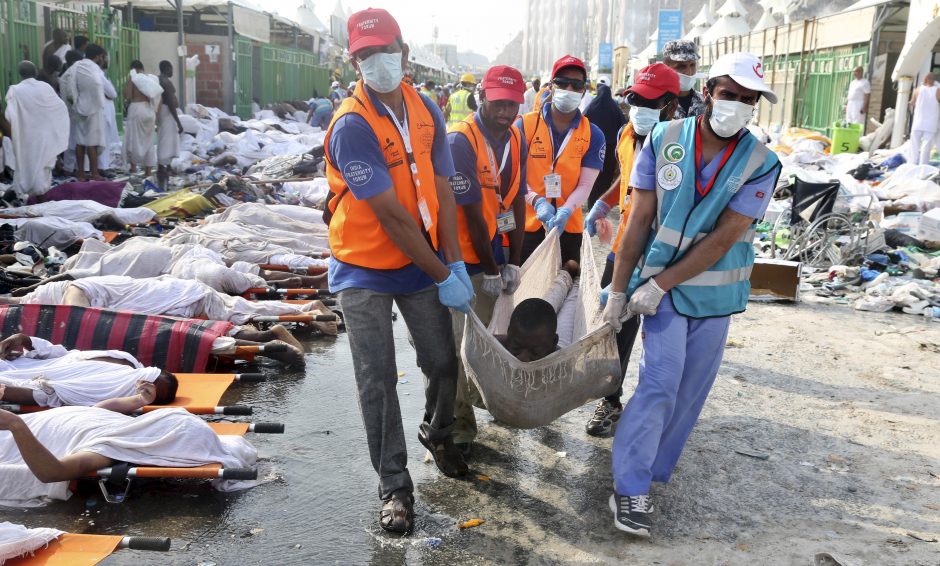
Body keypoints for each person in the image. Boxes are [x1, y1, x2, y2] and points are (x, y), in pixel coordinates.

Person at [601, 52, 781, 537]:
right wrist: (619, 291)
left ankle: (649, 471)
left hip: (712, 295)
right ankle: (630, 487)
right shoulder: (664, 139)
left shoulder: (763, 163)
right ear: (707, 93)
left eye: (747, 101)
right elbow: (638, 218)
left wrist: (660, 283)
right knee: (659, 381)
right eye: (729, 96)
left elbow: (726, 236)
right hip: (660, 295)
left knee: (687, 394)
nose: (736, 107)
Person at [323, 7, 473, 533]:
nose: (379, 62)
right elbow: (390, 217)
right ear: (354, 60)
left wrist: (453, 258)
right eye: (367, 55)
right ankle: (394, 486)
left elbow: (445, 192)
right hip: (364, 266)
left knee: (442, 362)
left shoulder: (426, 108)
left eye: (386, 51)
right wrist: (441, 273)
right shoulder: (351, 124)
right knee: (378, 379)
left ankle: (438, 431)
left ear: (404, 52)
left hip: (424, 260)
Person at [582, 63, 679, 437]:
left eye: (649, 103)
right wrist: (603, 203)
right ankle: (611, 401)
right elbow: (627, 175)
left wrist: (643, 272)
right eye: (634, 99)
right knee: (614, 322)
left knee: (661, 339)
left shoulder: (679, 146)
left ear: (670, 106)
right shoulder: (627, 133)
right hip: (624, 245)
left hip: (663, 253)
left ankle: (659, 415)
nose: (638, 108)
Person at [448, 65, 527, 455]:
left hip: (494, 253)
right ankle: (460, 426)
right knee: (458, 346)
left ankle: (481, 399)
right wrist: (492, 269)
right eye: (498, 102)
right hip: (461, 260)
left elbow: (512, 201)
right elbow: (471, 215)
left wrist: (514, 259)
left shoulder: (515, 138)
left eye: (513, 104)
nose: (505, 111)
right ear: (481, 96)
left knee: (485, 342)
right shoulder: (460, 141)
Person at [0, 405, 257, 506]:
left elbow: (50, 473)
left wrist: (15, 425)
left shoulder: (110, 447)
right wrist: (138, 398)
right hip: (41, 420)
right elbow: (98, 409)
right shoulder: (123, 425)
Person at [515, 54, 606, 265]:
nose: (570, 89)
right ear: (551, 86)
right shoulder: (525, 125)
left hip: (568, 226)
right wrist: (536, 201)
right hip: (528, 224)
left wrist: (567, 209)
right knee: (523, 292)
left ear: (584, 90)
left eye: (576, 85)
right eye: (563, 83)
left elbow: (585, 185)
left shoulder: (593, 134)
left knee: (564, 289)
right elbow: (515, 176)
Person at [0, 333, 178, 413]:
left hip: (13, 376)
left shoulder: (111, 392)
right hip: (19, 360)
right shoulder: (125, 360)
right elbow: (65, 355)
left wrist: (4, 390)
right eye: (151, 380)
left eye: (150, 391)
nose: (145, 385)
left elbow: (47, 394)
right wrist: (25, 340)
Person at [4, 62, 69, 199]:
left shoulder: (15, 90)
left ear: (20, 74)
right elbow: (60, 107)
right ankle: (40, 197)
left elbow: (9, 115)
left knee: (27, 162)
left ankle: (27, 194)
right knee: (42, 163)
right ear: (35, 72)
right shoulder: (45, 87)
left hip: (25, 134)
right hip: (43, 133)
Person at [68, 44, 108, 182]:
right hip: (94, 107)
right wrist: (99, 101)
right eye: (102, 57)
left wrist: (74, 102)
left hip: (79, 105)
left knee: (80, 142)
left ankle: (81, 174)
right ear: (97, 57)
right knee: (92, 142)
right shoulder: (94, 68)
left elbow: (67, 82)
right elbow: (98, 85)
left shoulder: (77, 66)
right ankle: (95, 173)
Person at [584, 80, 627, 206]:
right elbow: (623, 125)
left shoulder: (592, 106)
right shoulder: (614, 108)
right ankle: (600, 201)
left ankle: (591, 201)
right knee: (605, 177)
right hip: (610, 149)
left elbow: (582, 121)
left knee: (593, 175)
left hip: (593, 147)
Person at [123, 60, 161, 178]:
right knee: (149, 141)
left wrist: (130, 79)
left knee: (134, 139)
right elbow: (158, 97)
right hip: (149, 111)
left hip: (137, 109)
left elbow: (127, 95)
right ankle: (148, 171)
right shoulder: (152, 79)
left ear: (133, 69)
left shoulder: (135, 78)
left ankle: (133, 168)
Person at [494, 298, 558, 362]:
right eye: (516, 347)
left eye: (535, 351)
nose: (523, 359)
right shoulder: (490, 348)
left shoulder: (563, 367)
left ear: (554, 343)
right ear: (508, 333)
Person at [661, 40, 706, 120]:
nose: (689, 72)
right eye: (681, 66)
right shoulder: (657, 103)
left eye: (692, 65)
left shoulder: (705, 101)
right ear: (666, 68)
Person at [157, 60, 184, 190]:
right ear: (167, 68)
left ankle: (166, 166)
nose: (172, 71)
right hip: (168, 113)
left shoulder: (160, 80)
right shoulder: (166, 82)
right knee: (166, 140)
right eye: (171, 68)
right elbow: (172, 103)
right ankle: (162, 167)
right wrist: (178, 123)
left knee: (167, 138)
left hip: (164, 112)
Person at [908, 73, 940, 165]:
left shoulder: (917, 90)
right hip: (931, 123)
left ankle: (912, 163)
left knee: (914, 146)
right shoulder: (937, 90)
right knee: (926, 147)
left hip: (918, 122)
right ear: (934, 81)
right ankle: (922, 166)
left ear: (924, 80)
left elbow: (912, 102)